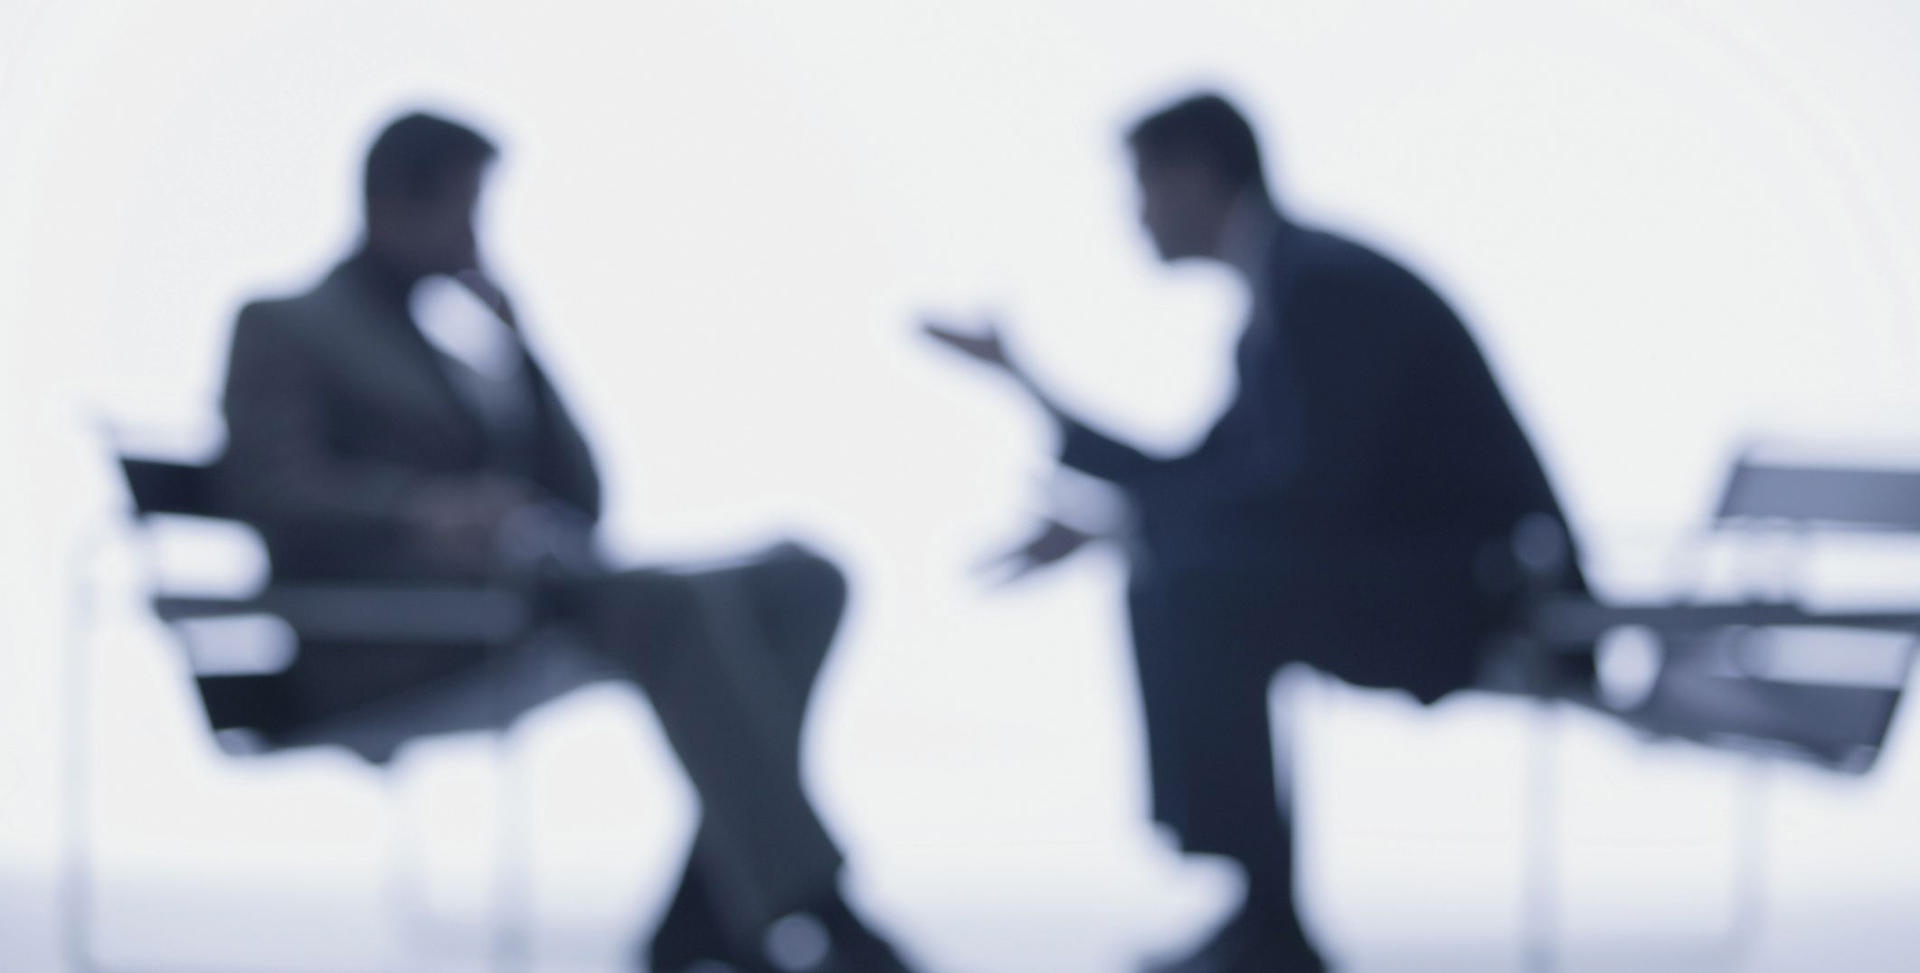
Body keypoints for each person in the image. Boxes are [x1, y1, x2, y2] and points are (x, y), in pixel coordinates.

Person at [217, 111, 917, 973]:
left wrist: (523, 346)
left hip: (517, 603)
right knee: (667, 601)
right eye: (465, 212)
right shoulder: (285, 323)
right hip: (389, 634)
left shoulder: (452, 354)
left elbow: (583, 502)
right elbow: (269, 488)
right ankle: (815, 903)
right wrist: (418, 508)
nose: (476, 239)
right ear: (397, 202)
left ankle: (705, 911)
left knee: (804, 579)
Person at [926, 92, 1585, 972]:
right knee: (1184, 573)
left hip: (1479, 591)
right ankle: (1264, 914)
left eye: (1143, 186)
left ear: (1196, 175)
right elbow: (1211, 472)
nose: (1135, 215)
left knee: (1195, 584)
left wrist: (1124, 522)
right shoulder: (1288, 286)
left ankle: (1267, 919)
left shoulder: (1320, 286)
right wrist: (1025, 384)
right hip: (1433, 575)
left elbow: (1306, 489)